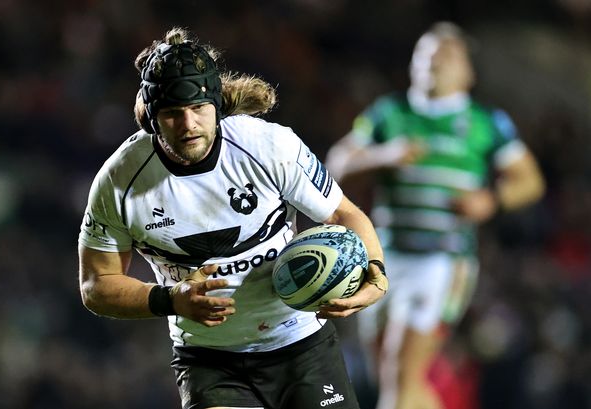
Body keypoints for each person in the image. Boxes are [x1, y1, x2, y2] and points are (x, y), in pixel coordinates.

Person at [78, 27, 388, 409]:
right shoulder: (120, 181)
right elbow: (96, 284)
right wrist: (170, 299)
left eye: (198, 108)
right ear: (152, 120)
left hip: (301, 343)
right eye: (172, 113)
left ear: (217, 104)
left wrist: (376, 272)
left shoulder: (268, 146)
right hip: (209, 360)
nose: (188, 124)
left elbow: (343, 213)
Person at [325, 22, 545, 409]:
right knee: (393, 377)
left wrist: (492, 200)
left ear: (468, 72)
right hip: (384, 255)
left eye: (446, 54)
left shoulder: (485, 121)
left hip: (443, 258)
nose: (434, 61)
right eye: (424, 53)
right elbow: (337, 164)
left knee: (399, 373)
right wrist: (386, 155)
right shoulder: (389, 112)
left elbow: (529, 180)